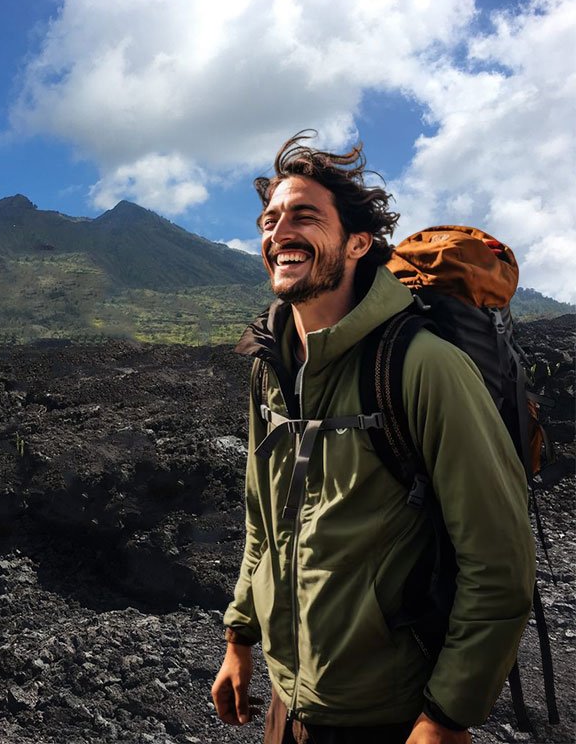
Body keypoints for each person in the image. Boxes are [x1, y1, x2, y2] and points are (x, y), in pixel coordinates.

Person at [210, 132, 535, 744]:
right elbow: (264, 519)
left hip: (391, 714)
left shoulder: (422, 366)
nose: (280, 232)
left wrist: (446, 716)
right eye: (270, 219)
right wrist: (239, 638)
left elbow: (498, 559)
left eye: (305, 216)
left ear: (358, 242)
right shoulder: (269, 365)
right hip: (289, 701)